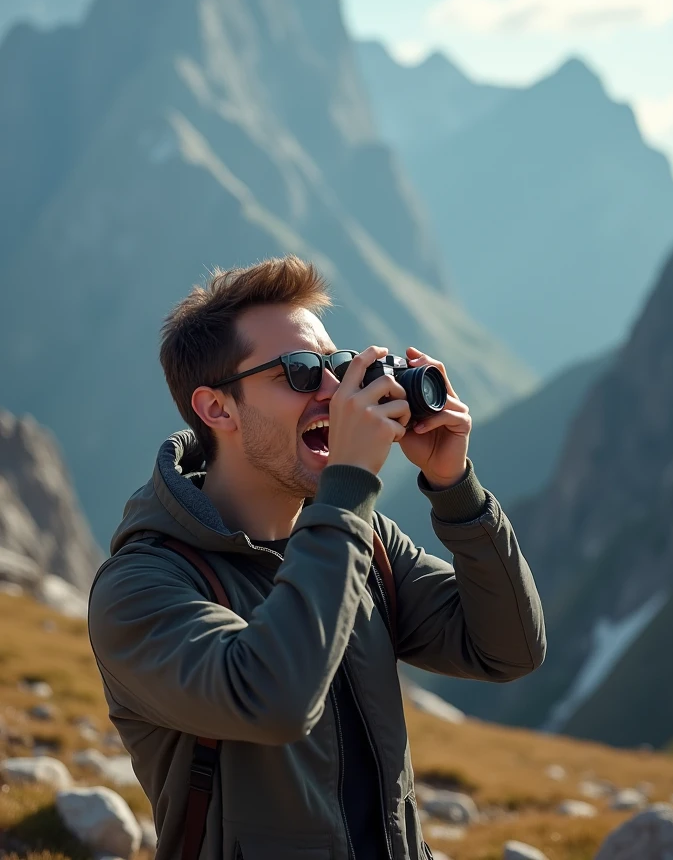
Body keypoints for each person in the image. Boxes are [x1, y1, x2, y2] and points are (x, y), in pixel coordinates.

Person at [88, 255, 546, 860]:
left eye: (336, 366)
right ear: (217, 409)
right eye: (302, 373)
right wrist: (349, 485)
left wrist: (454, 485)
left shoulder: (364, 541)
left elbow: (509, 648)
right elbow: (271, 699)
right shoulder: (142, 587)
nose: (335, 393)